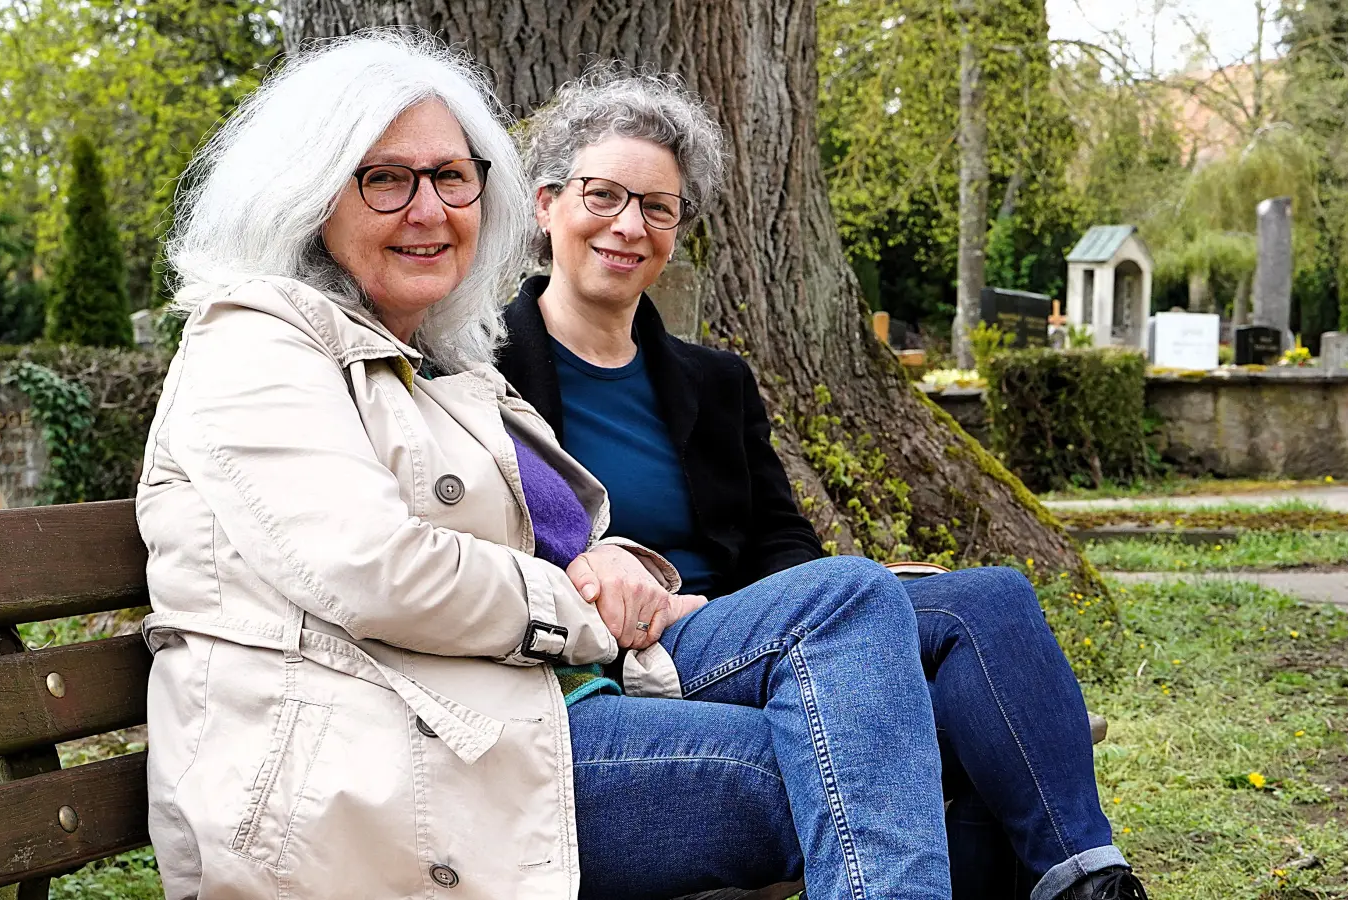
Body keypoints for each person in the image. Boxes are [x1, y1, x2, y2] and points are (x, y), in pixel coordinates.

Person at [138, 32, 959, 900]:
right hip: (376, 763)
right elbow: (373, 569)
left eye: (452, 177)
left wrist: (605, 560)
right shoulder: (255, 341)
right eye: (385, 178)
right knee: (854, 764)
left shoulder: (443, 359)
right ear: (307, 194)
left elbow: (559, 529)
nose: (429, 209)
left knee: (853, 599)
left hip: (507, 709)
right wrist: (581, 608)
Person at [495, 69, 1148, 900]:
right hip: (609, 644)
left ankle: (1089, 878)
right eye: (603, 196)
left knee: (989, 601)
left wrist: (755, 614)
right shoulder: (483, 368)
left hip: (733, 631)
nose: (630, 225)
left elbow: (782, 542)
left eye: (658, 207)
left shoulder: (714, 379)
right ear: (547, 203)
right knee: (859, 605)